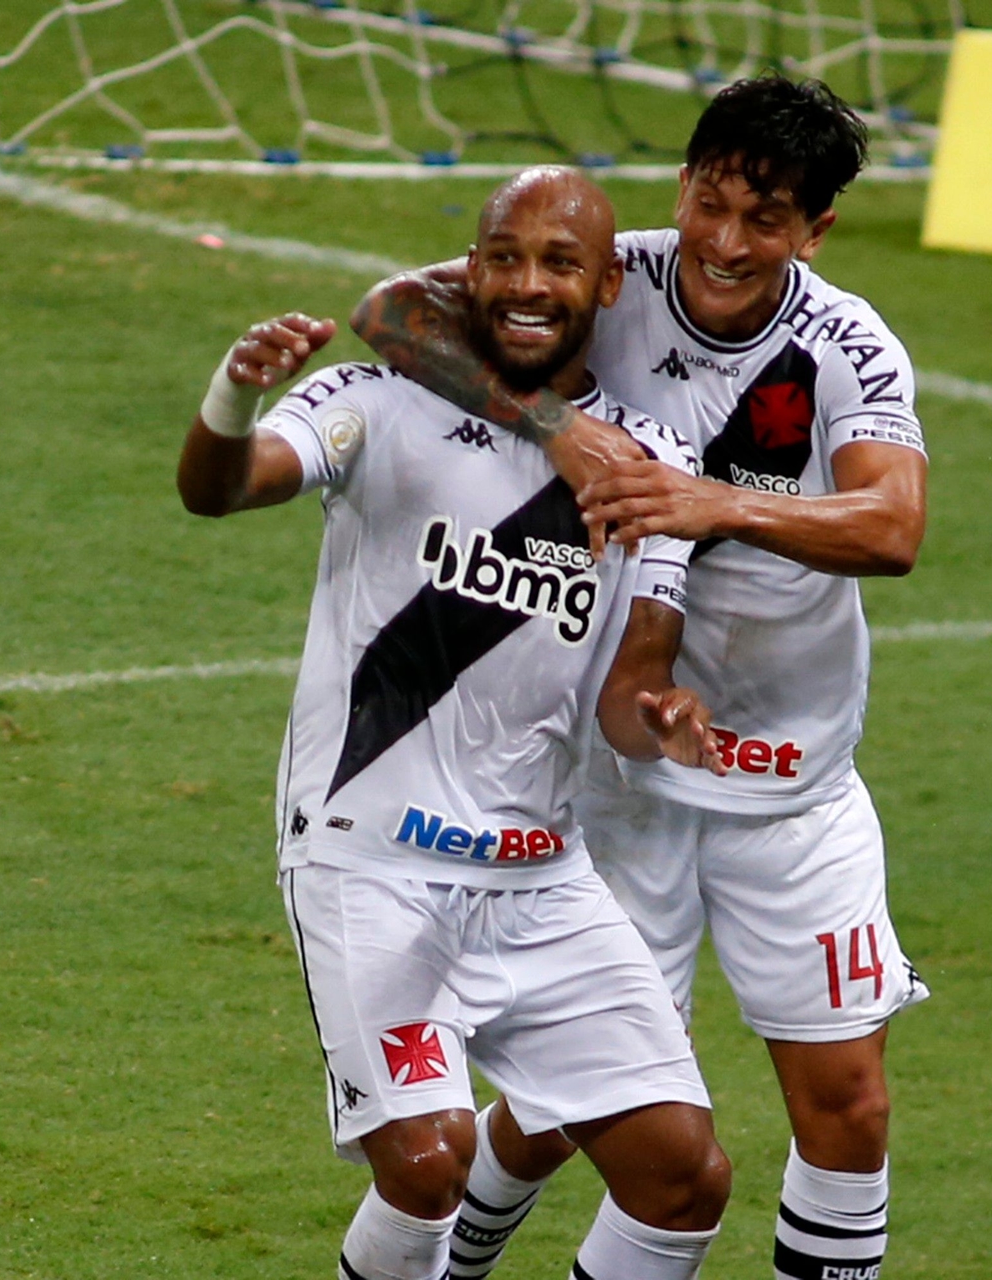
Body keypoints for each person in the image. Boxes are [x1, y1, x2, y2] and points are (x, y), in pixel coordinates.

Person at [352, 75, 930, 1280]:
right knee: (578, 1107)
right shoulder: (611, 277)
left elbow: (893, 526)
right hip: (621, 780)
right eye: (709, 200)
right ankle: (461, 1259)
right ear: (683, 182)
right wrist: (556, 429)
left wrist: (710, 501)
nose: (723, 241)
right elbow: (394, 311)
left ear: (814, 232)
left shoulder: (846, 347)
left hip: (793, 783)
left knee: (851, 1108)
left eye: (763, 220)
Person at [177, 167, 736, 1280]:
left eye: (560, 262)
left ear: (607, 281)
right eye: (505, 257)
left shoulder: (651, 467)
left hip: (541, 878)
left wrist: (661, 717)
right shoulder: (377, 402)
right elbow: (223, 486)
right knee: (427, 1164)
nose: (529, 284)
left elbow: (633, 686)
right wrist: (233, 397)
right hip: (372, 862)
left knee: (685, 1175)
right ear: (470, 271)